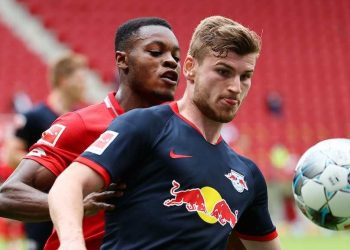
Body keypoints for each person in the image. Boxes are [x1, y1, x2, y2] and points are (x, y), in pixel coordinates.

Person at [49, 16, 281, 250]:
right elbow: (68, 184)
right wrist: (71, 243)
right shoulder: (145, 126)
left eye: (245, 76)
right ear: (190, 68)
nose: (235, 87)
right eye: (223, 71)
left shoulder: (247, 176)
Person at [0, 17, 181, 250]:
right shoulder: (81, 124)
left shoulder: (183, 136)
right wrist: (74, 205)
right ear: (122, 60)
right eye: (156, 52)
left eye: (176, 57)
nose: (170, 61)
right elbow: (7, 195)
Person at [1, 52, 87, 250]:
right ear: (64, 80)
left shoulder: (81, 118)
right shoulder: (33, 116)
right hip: (41, 209)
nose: (85, 85)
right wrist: (53, 168)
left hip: (73, 206)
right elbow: (10, 154)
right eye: (80, 79)